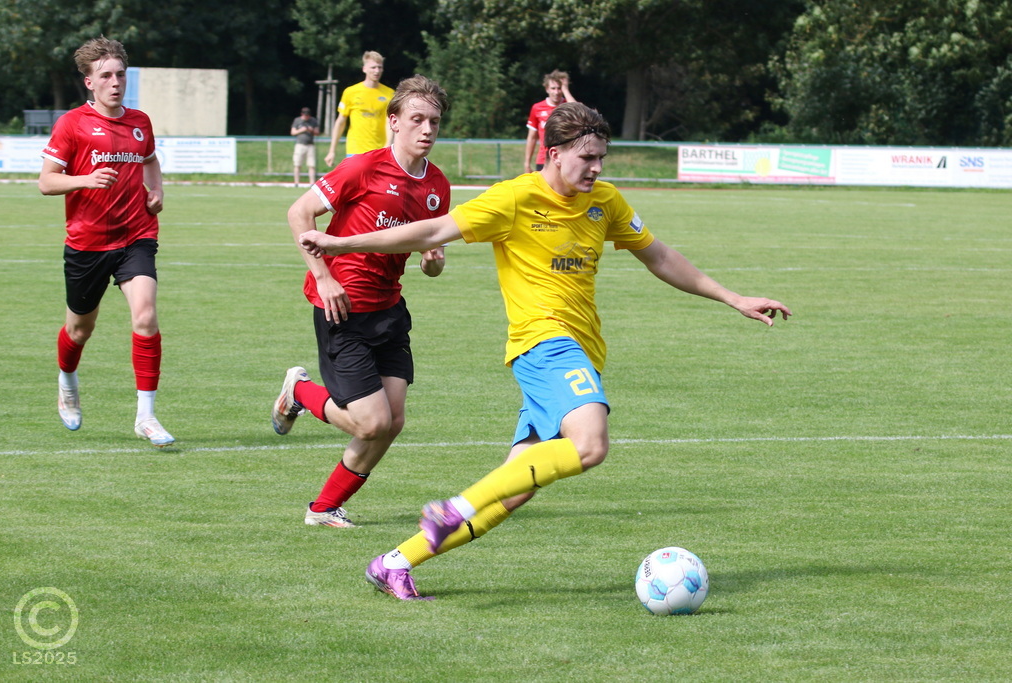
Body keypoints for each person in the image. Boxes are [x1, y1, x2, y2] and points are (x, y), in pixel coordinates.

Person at [298, 102, 792, 600]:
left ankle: (395, 562)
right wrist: (341, 245)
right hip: (544, 343)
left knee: (516, 488)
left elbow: (659, 256)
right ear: (554, 153)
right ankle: (454, 508)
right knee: (590, 444)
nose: (597, 168)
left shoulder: (606, 201)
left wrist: (733, 297)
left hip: (584, 349)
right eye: (587, 158)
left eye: (601, 158)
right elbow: (431, 231)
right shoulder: (514, 197)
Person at [272, 75, 452, 529]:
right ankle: (299, 392)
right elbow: (299, 212)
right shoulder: (362, 168)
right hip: (343, 308)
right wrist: (323, 277)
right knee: (371, 423)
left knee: (392, 422)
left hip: (390, 310)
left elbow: (433, 264)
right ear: (394, 121)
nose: (427, 129)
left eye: (434, 121)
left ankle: (323, 508)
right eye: (417, 119)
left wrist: (432, 261)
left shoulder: (438, 186)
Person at [38, 35, 174, 448]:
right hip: (87, 243)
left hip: (136, 235)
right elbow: (46, 182)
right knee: (80, 329)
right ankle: (67, 382)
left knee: (145, 316)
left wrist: (157, 191)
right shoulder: (72, 124)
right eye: (106, 76)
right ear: (89, 82)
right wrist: (85, 179)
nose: (115, 83)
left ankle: (146, 416)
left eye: (120, 75)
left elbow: (150, 161)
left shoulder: (140, 122)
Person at [324, 51, 395, 168]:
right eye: (373, 67)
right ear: (364, 69)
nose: (377, 71)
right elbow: (341, 122)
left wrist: (388, 145)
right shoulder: (350, 92)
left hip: (380, 151)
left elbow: (390, 122)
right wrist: (332, 151)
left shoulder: (389, 94)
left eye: (380, 67)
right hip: (355, 150)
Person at [523, 69, 576, 174]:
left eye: (559, 88)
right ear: (547, 89)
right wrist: (527, 162)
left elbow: (578, 111)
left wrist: (565, 90)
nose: (556, 92)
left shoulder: (568, 106)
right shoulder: (537, 108)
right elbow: (532, 138)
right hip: (544, 159)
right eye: (553, 88)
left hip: (565, 158)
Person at [291, 107, 320, 186]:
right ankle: (296, 182)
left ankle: (312, 183)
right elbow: (293, 132)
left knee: (311, 165)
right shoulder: (297, 120)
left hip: (310, 145)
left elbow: (317, 132)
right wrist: (302, 130)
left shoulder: (313, 120)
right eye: (305, 115)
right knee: (297, 164)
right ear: (302, 114)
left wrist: (311, 130)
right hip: (300, 144)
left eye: (308, 115)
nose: (306, 117)